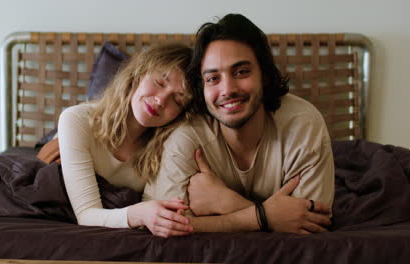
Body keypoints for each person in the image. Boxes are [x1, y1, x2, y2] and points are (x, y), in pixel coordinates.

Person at [143, 14, 334, 234]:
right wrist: (265, 217)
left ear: (264, 74)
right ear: (201, 88)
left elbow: (311, 227)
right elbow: (170, 229)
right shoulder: (187, 137)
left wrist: (226, 202)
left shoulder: (303, 124)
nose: (228, 90)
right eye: (213, 78)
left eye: (241, 72)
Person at [58, 42, 195, 238]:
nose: (161, 100)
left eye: (177, 100)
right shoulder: (76, 120)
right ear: (139, 74)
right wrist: (139, 214)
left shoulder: (170, 144)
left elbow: (156, 212)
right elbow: (86, 216)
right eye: (159, 82)